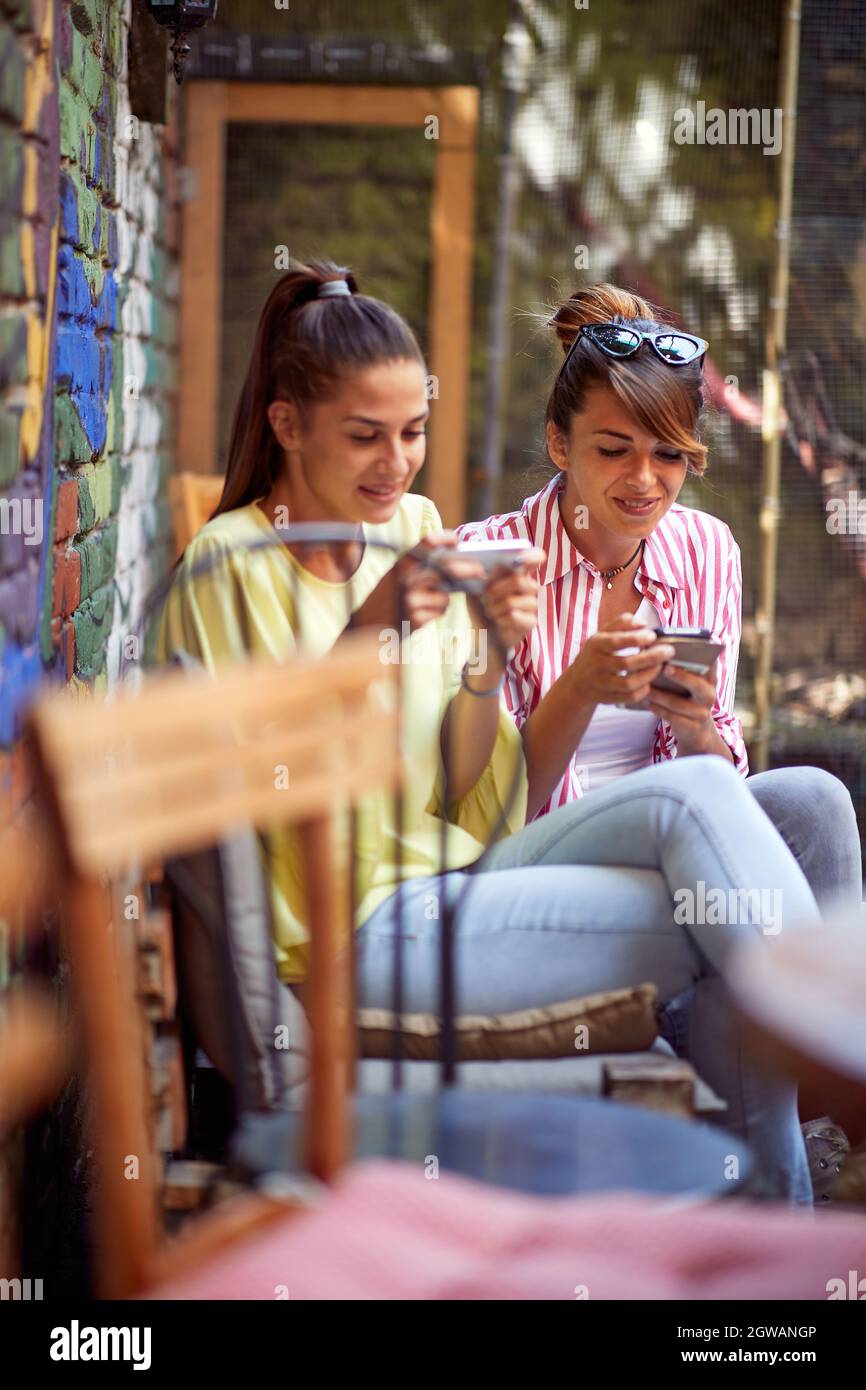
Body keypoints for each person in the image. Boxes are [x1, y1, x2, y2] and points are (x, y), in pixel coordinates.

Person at [157, 260, 828, 1203]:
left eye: (413, 432)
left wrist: (481, 662)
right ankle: (828, 1090)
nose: (397, 464)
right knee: (711, 847)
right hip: (359, 937)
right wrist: (374, 631)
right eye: (365, 437)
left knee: (781, 807)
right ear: (287, 425)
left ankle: (775, 1221)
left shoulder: (419, 532)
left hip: (473, 876)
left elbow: (476, 795)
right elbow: (250, 785)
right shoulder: (226, 570)